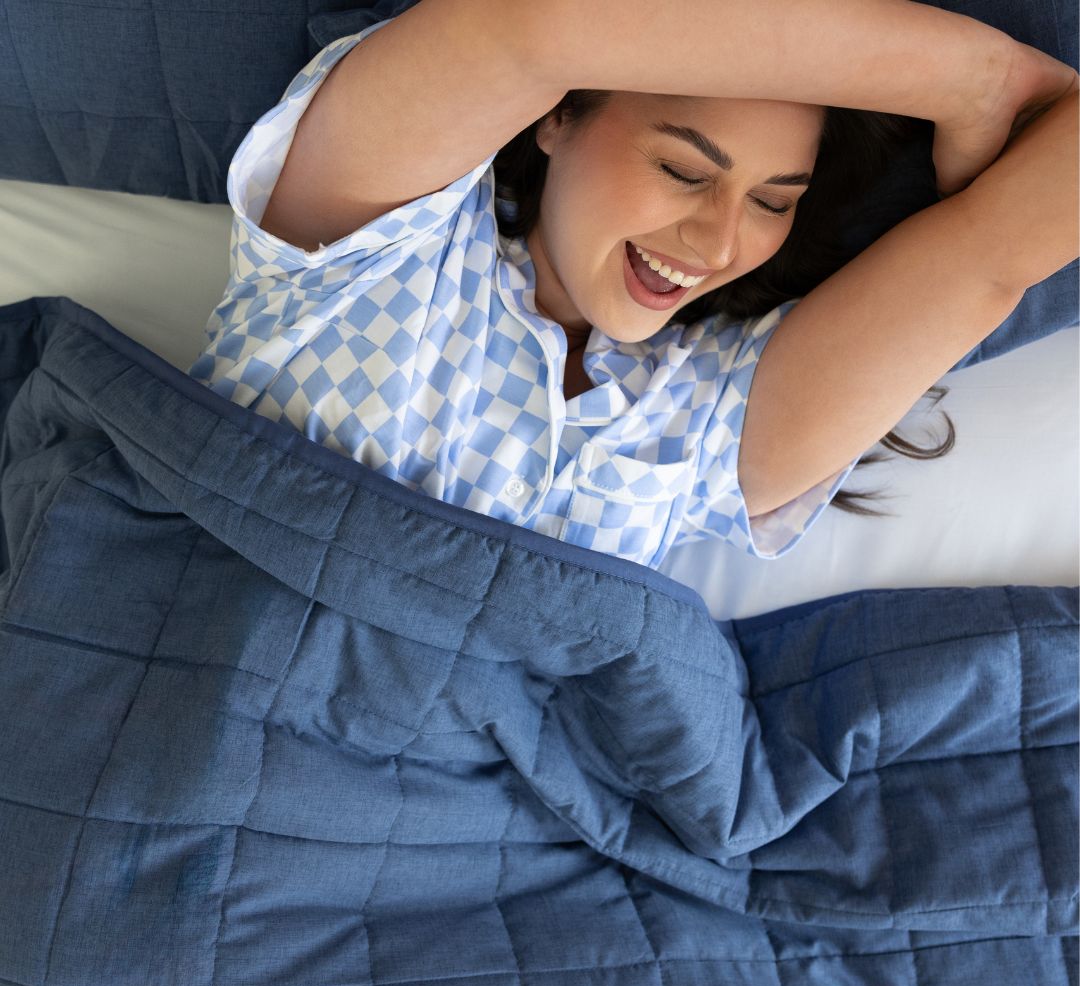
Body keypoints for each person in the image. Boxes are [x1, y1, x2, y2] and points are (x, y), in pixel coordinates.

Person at [188, 0, 1078, 570]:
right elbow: (526, 29)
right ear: (558, 116)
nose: (720, 240)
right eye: (685, 171)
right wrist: (974, 78)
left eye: (773, 201)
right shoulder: (366, 250)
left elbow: (997, 252)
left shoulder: (706, 427)